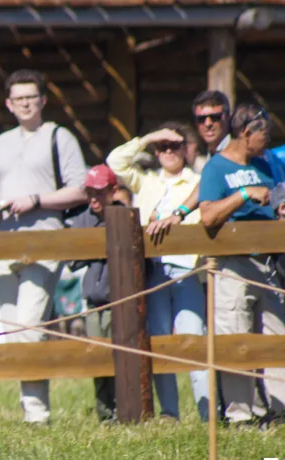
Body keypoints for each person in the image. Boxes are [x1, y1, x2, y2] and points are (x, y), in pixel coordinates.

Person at [0, 69, 88, 425]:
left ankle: (37, 416)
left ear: (43, 100)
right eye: (19, 99)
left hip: (44, 240)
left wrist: (35, 200)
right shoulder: (1, 142)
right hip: (4, 243)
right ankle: (28, 407)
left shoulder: (60, 137)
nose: (26, 103)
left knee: (30, 325)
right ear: (9, 104)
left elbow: (80, 189)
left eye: (32, 97)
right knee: (10, 332)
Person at [107, 121, 209, 421]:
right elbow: (115, 162)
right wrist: (149, 136)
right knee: (158, 339)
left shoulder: (198, 181)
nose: (167, 151)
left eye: (174, 145)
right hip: (152, 271)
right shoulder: (146, 181)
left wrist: (166, 218)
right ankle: (169, 413)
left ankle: (208, 413)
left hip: (187, 269)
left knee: (194, 338)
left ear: (186, 149)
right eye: (162, 147)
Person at [198, 103, 285, 425]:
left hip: (270, 265)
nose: (269, 141)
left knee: (277, 336)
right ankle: (239, 415)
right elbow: (208, 216)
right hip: (234, 266)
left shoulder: (266, 164)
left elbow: (275, 199)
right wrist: (244, 194)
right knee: (236, 337)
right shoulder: (217, 168)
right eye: (266, 135)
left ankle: (279, 411)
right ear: (247, 133)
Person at [67, 165, 125, 422]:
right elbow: (72, 258)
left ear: (113, 191)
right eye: (89, 192)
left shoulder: (123, 214)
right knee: (97, 358)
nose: (93, 198)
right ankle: (105, 414)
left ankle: (124, 410)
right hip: (92, 299)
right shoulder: (84, 219)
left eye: (99, 192)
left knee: (120, 357)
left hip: (121, 299)